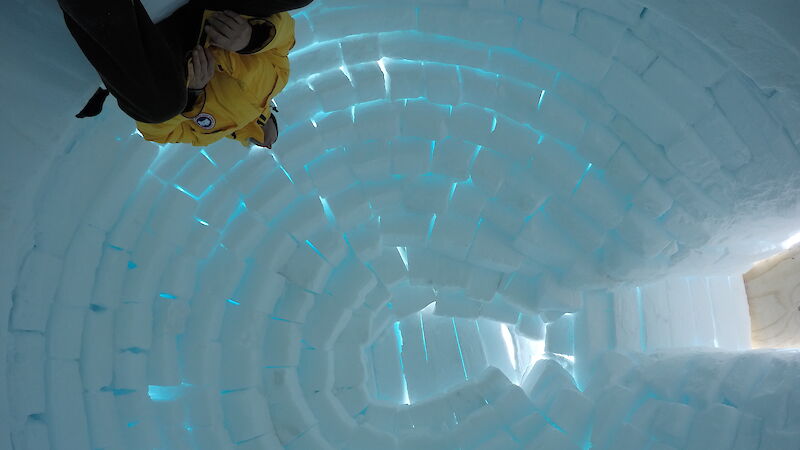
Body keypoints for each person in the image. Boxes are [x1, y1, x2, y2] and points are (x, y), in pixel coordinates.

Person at [58, 0, 313, 148]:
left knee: (159, 107)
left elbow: (155, 132)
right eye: (273, 139)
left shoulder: (208, 135)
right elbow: (284, 37)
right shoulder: (278, 80)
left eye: (263, 145)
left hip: (169, 54)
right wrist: (250, 38)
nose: (268, 145)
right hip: (213, 13)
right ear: (273, 117)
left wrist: (192, 95)